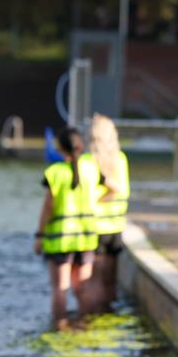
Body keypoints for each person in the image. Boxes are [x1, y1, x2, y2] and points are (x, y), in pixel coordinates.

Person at [33, 127, 99, 331]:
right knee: (83, 287)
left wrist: (39, 235)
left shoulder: (54, 172)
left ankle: (60, 326)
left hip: (60, 240)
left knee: (60, 288)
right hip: (86, 238)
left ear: (59, 148)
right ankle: (84, 325)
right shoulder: (91, 168)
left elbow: (48, 207)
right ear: (80, 146)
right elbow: (109, 188)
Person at [87, 114, 130, 312]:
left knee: (96, 278)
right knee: (111, 279)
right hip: (116, 226)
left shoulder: (89, 161)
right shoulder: (120, 159)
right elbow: (124, 189)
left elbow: (91, 194)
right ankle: (109, 315)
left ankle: (96, 315)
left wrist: (95, 199)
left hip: (96, 227)